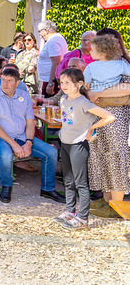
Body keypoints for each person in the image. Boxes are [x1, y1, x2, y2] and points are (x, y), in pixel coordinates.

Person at [0, 67, 65, 204]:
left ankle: (48, 189)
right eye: (3, 80)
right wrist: (14, 145)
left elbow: (30, 122)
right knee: (6, 154)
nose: (5, 84)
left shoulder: (24, 96)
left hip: (20, 136)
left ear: (17, 83)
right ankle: (6, 186)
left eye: (9, 81)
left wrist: (29, 142)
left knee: (50, 152)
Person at [53, 68, 115, 229]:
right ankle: (70, 211)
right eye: (62, 82)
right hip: (65, 143)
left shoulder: (84, 102)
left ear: (79, 84)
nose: (63, 85)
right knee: (68, 180)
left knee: (80, 183)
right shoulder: (64, 99)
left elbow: (109, 116)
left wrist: (91, 128)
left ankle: (83, 218)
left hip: (78, 145)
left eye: (68, 82)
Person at [86, 28, 130, 218]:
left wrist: (98, 93)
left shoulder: (122, 65)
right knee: (102, 156)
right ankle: (107, 202)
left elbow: (127, 87)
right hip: (103, 114)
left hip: (112, 114)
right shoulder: (118, 65)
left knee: (114, 157)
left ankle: (116, 205)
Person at [37, 20, 68, 97]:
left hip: (51, 80)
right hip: (48, 79)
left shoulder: (54, 41)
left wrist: (51, 83)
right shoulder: (55, 39)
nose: (39, 34)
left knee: (48, 102)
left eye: (40, 31)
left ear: (45, 31)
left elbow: (56, 62)